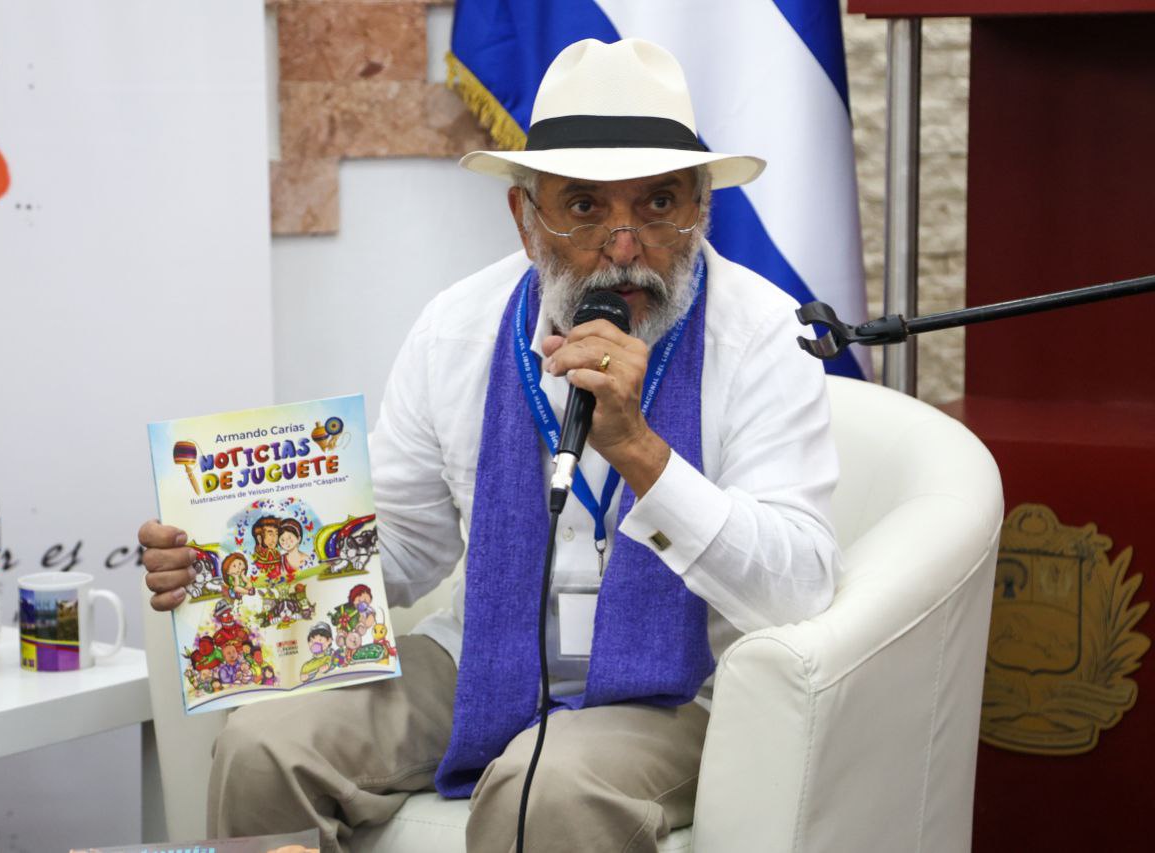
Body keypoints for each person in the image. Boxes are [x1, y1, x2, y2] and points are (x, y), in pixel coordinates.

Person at [140, 38, 840, 853]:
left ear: (700, 209)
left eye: (658, 203)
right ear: (526, 219)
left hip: (682, 689)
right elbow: (406, 546)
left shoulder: (765, 337)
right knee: (264, 745)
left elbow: (800, 587)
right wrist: (228, 564)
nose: (624, 246)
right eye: (585, 207)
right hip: (481, 658)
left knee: (543, 787)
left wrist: (642, 452)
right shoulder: (457, 329)